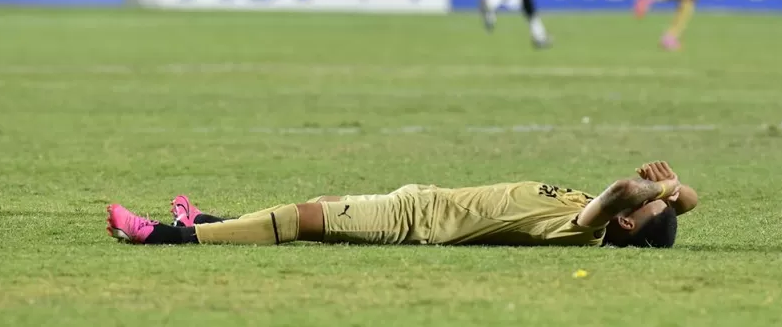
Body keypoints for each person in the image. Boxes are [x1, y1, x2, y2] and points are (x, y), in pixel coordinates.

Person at [107, 161, 698, 249]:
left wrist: (652, 190)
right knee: (320, 203)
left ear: (625, 221)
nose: (654, 195)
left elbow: (624, 191)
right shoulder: (598, 208)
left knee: (303, 219)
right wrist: (673, 194)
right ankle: (209, 222)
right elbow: (686, 204)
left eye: (648, 205)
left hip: (420, 222)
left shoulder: (585, 228)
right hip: (428, 198)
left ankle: (167, 236)